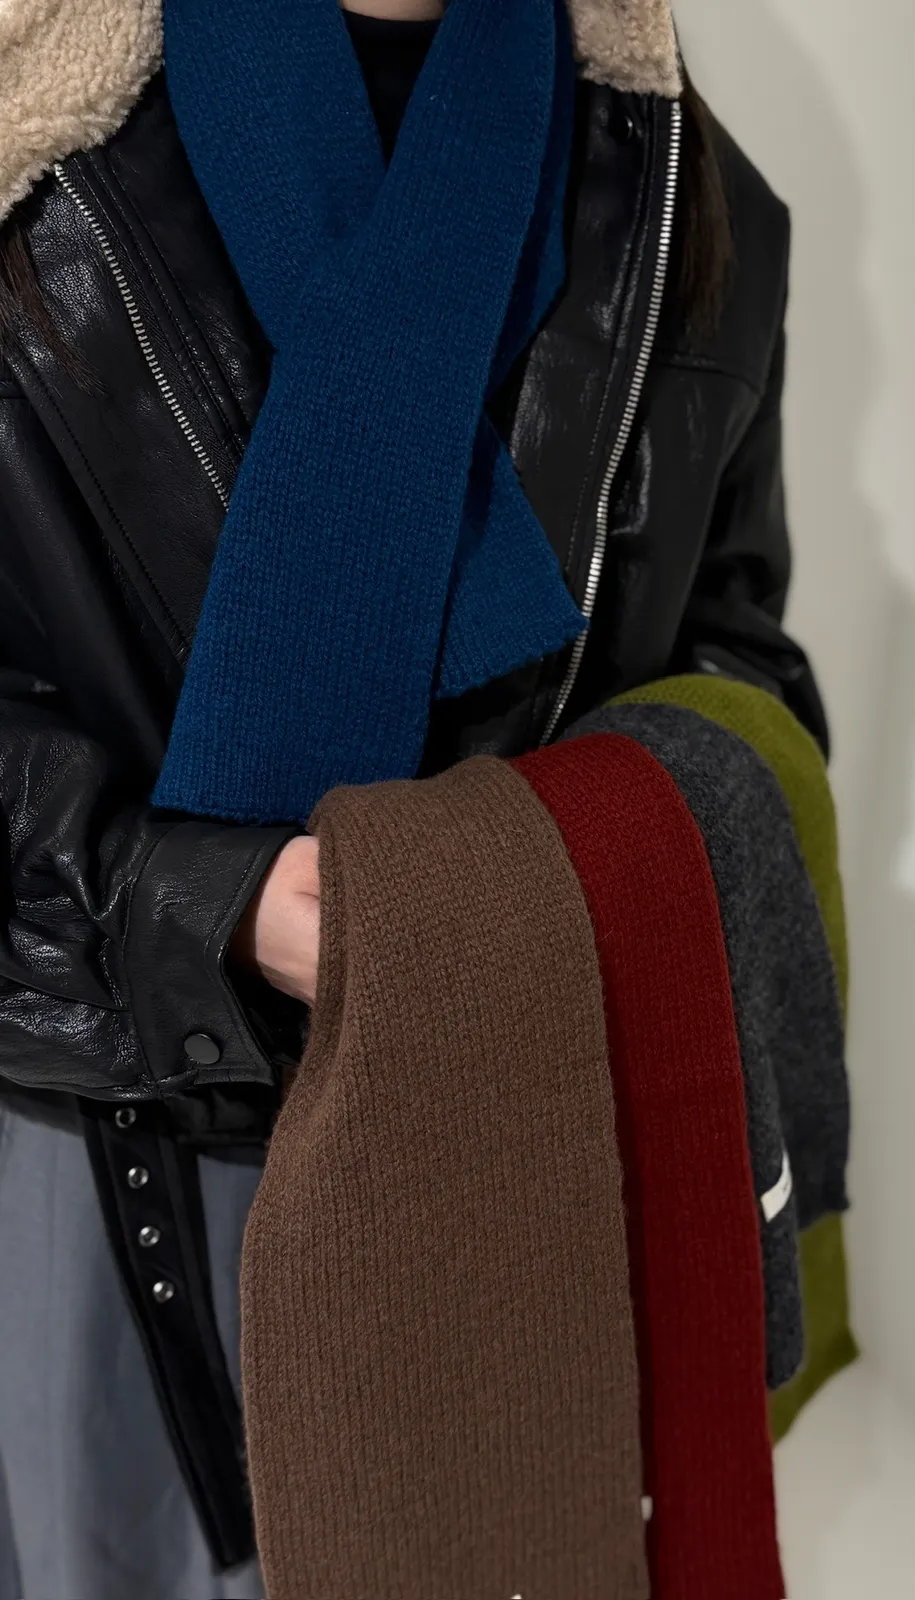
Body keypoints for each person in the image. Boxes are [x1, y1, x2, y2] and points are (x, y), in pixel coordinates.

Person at [0, 0, 830, 1594]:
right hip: (113, 1159)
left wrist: (513, 878)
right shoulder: (34, 154)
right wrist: (204, 908)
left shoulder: (686, 192)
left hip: (512, 1142)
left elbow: (741, 662)